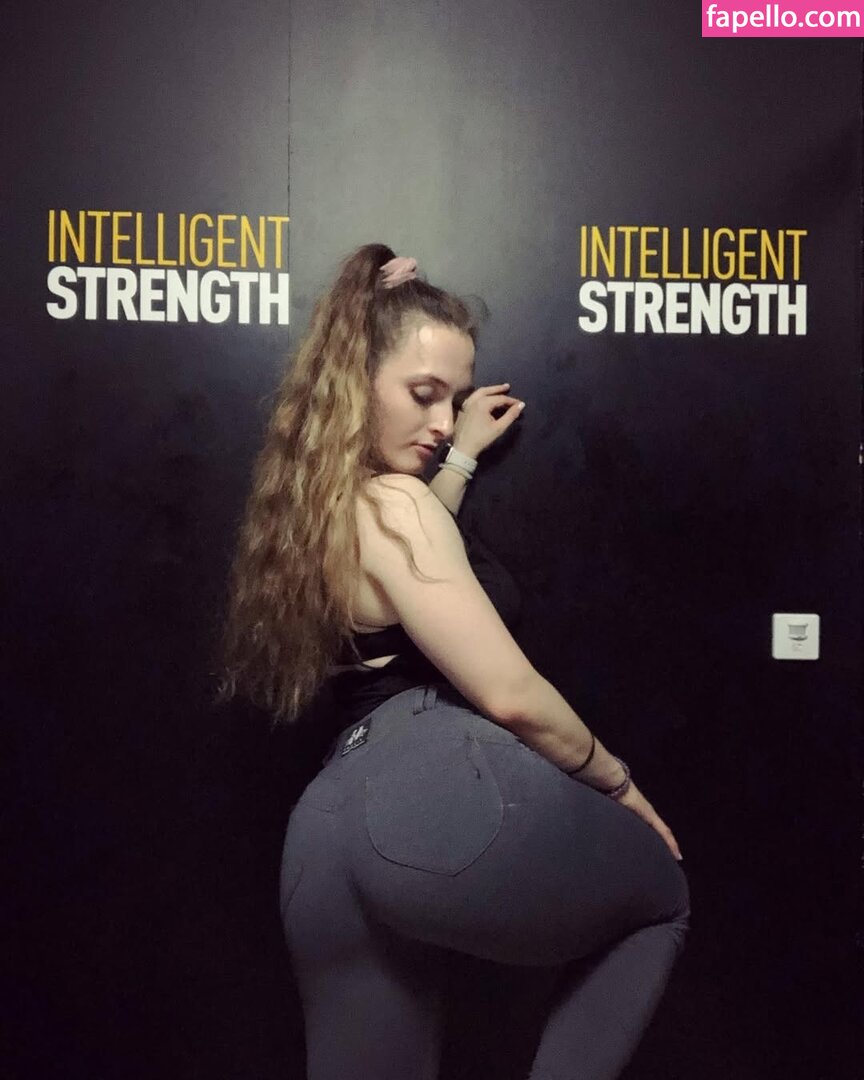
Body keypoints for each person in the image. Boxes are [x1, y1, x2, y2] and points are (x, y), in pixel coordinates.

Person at [217, 243, 689, 1080]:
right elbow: (510, 695)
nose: (441, 421)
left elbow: (418, 575)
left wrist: (460, 456)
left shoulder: (325, 514)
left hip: (322, 843)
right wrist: (620, 786)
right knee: (661, 897)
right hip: (430, 790)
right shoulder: (396, 505)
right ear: (355, 381)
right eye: (423, 393)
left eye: (455, 399)